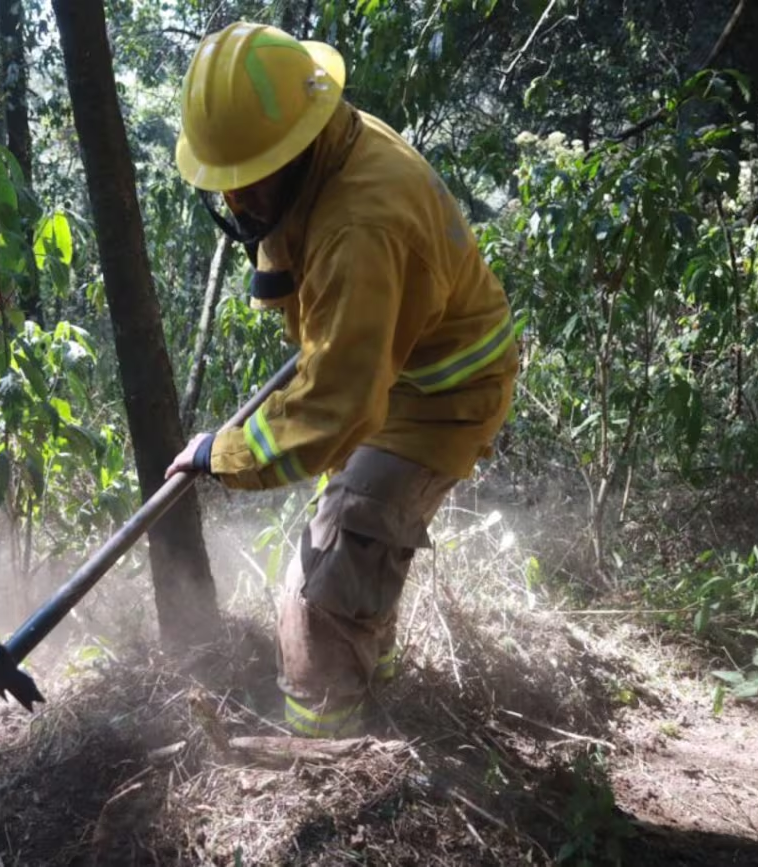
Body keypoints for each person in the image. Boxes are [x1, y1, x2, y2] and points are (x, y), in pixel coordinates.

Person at [165, 23, 519, 739]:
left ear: (292, 151)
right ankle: (377, 700)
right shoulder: (329, 146)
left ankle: (333, 765)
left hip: (436, 398)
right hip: (394, 372)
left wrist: (223, 452)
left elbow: (339, 404)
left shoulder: (361, 227)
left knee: (315, 601)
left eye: (246, 179)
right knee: (350, 548)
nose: (234, 199)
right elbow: (312, 289)